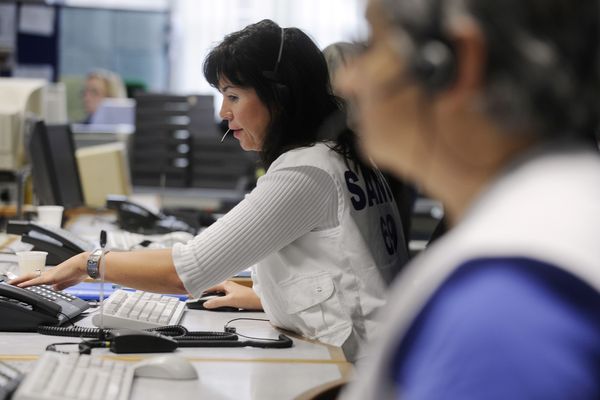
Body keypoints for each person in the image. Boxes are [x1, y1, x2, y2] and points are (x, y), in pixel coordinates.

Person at [11, 19, 408, 361]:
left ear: (280, 97)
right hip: (375, 355)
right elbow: (349, 270)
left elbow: (184, 273)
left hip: (358, 371)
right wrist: (267, 296)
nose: (223, 113)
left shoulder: (307, 171)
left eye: (233, 96)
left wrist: (89, 262)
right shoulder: (340, 156)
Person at [337, 0, 600, 398]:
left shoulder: (505, 309)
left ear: (457, 62)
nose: (346, 81)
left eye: (372, 43)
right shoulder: (569, 210)